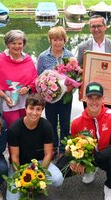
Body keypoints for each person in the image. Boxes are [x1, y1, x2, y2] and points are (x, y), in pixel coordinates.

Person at [57, 82, 111, 200]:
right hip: (87, 157)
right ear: (85, 98)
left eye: (97, 98)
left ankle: (108, 187)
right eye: (90, 98)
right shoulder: (77, 121)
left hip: (106, 157)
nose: (94, 102)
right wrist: (76, 160)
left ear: (103, 99)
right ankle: (90, 170)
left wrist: (90, 160)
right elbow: (74, 146)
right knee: (58, 172)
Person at [6, 93, 64, 200]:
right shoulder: (14, 128)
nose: (34, 112)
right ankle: (25, 186)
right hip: (20, 165)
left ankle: (38, 187)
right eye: (31, 108)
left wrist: (39, 174)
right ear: (25, 108)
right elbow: (14, 157)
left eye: (38, 109)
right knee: (12, 199)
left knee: (58, 179)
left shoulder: (46, 126)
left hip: (39, 162)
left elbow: (48, 154)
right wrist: (21, 177)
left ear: (42, 110)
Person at [37, 26, 74, 157]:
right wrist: (44, 89)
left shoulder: (70, 56)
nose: (58, 42)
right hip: (50, 97)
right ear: (50, 40)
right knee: (51, 123)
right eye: (55, 39)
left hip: (65, 96)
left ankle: (64, 149)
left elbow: (75, 76)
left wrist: (71, 87)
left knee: (65, 123)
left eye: (60, 39)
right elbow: (39, 77)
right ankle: (52, 148)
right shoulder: (43, 56)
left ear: (65, 40)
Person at [0, 30, 37, 127]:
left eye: (20, 43)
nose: (17, 46)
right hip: (8, 102)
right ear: (7, 44)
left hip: (26, 102)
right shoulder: (0, 60)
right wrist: (6, 98)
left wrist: (27, 88)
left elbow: (35, 80)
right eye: (13, 43)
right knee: (13, 128)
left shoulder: (28, 59)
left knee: (26, 127)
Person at [77, 15, 111, 109]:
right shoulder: (82, 47)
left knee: (107, 118)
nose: (96, 29)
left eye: (99, 26)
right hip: (89, 91)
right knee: (89, 119)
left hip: (108, 91)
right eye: (93, 26)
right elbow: (78, 69)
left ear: (105, 27)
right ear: (90, 29)